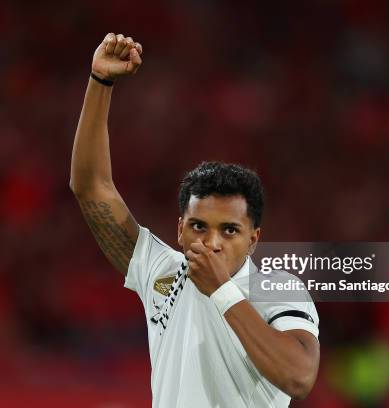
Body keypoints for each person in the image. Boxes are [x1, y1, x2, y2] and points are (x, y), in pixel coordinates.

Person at [70, 32, 320, 407]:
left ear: (253, 239)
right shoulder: (161, 272)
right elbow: (91, 187)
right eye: (199, 226)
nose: (211, 241)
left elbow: (300, 377)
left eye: (230, 230)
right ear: (180, 229)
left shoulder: (277, 290)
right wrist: (100, 81)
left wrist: (222, 291)